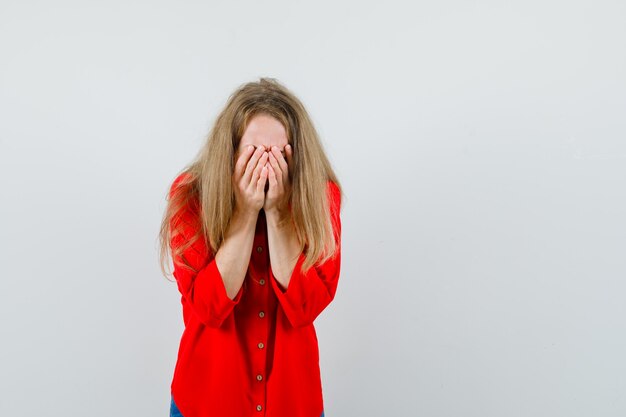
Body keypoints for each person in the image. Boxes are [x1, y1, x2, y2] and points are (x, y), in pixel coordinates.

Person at [158, 77, 343, 417]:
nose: (266, 165)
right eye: (254, 152)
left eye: (278, 153)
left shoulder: (322, 198)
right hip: (205, 401)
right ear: (230, 151)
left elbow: (305, 307)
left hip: (292, 403)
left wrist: (277, 213)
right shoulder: (189, 197)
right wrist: (244, 214)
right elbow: (209, 308)